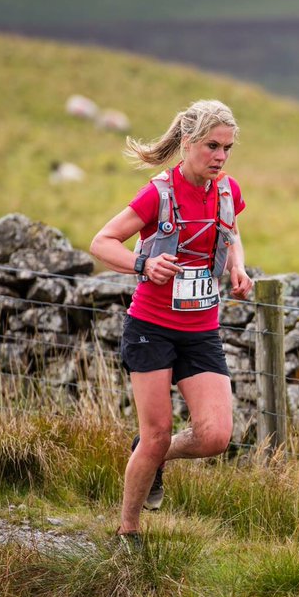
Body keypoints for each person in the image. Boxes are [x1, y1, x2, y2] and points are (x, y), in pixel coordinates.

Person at [90, 99, 253, 546]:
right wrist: (143, 264)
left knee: (216, 436)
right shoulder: (157, 193)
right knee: (156, 431)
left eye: (227, 148)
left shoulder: (226, 190)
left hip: (201, 329)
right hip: (151, 327)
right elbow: (101, 242)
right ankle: (128, 532)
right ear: (187, 144)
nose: (220, 157)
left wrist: (238, 268)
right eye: (211, 146)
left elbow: (231, 229)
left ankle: (152, 454)